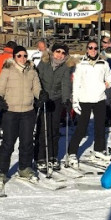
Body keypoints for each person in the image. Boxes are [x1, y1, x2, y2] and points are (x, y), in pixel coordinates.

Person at [0, 46, 44, 182]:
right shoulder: (7, 70)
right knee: (8, 143)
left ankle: (24, 168)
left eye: (25, 56)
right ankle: (2, 170)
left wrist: (41, 94)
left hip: (28, 111)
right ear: (14, 57)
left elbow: (37, 88)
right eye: (19, 56)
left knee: (26, 142)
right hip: (10, 111)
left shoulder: (32, 71)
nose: (22, 58)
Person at [68, 39, 111, 166]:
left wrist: (108, 83)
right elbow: (76, 83)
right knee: (81, 128)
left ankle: (98, 150)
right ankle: (72, 152)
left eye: (95, 48)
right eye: (90, 48)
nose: (93, 50)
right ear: (87, 49)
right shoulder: (81, 64)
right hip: (85, 99)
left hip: (99, 98)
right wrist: (75, 100)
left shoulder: (103, 63)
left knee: (100, 126)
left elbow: (110, 76)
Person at [35, 42, 72, 171]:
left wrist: (66, 100)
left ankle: (52, 155)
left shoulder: (66, 67)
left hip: (56, 98)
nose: (60, 55)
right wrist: (39, 94)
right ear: (52, 52)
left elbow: (66, 84)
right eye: (58, 52)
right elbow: (37, 79)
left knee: (54, 128)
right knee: (43, 128)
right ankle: (40, 156)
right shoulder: (44, 63)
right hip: (43, 97)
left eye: (63, 53)